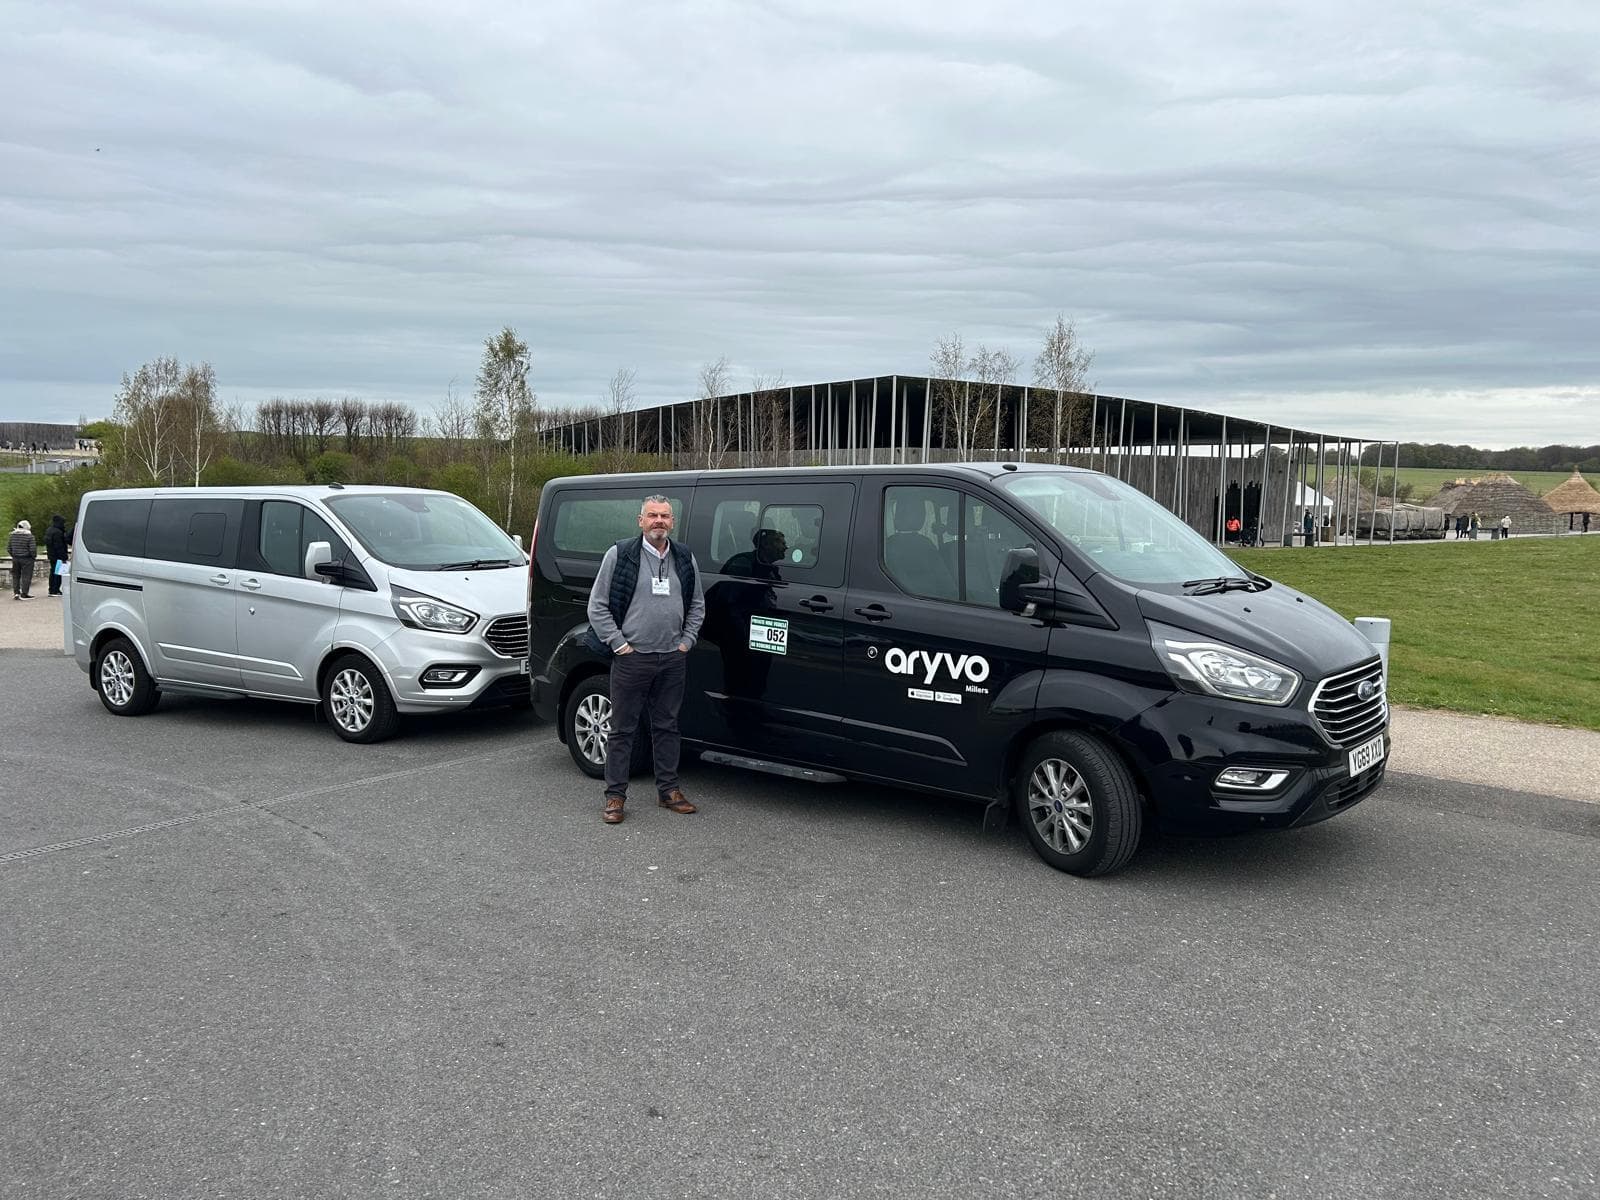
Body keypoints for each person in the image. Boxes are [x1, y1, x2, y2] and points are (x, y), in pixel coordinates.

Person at [586, 495, 706, 825]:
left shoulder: (684, 557)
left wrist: (686, 642)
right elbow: (596, 606)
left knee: (667, 726)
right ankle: (615, 796)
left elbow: (697, 605)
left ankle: (668, 790)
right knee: (623, 730)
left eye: (665, 516)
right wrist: (620, 644)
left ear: (672, 522)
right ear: (640, 520)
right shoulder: (621, 554)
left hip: (671, 657)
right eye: (652, 515)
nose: (659, 521)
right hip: (632, 659)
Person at [9, 519, 37, 599]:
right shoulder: (30, 536)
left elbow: (9, 548)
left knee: (16, 576)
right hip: (27, 559)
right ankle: (24, 593)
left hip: (15, 558)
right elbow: (32, 549)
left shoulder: (12, 536)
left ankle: (16, 593)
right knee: (26, 576)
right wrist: (33, 557)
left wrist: (14, 555)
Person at [44, 514, 69, 596]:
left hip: (51, 555)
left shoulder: (49, 530)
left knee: (53, 572)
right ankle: (55, 590)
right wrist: (64, 557)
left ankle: (51, 589)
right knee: (58, 573)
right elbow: (59, 546)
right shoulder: (58, 532)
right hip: (58, 556)